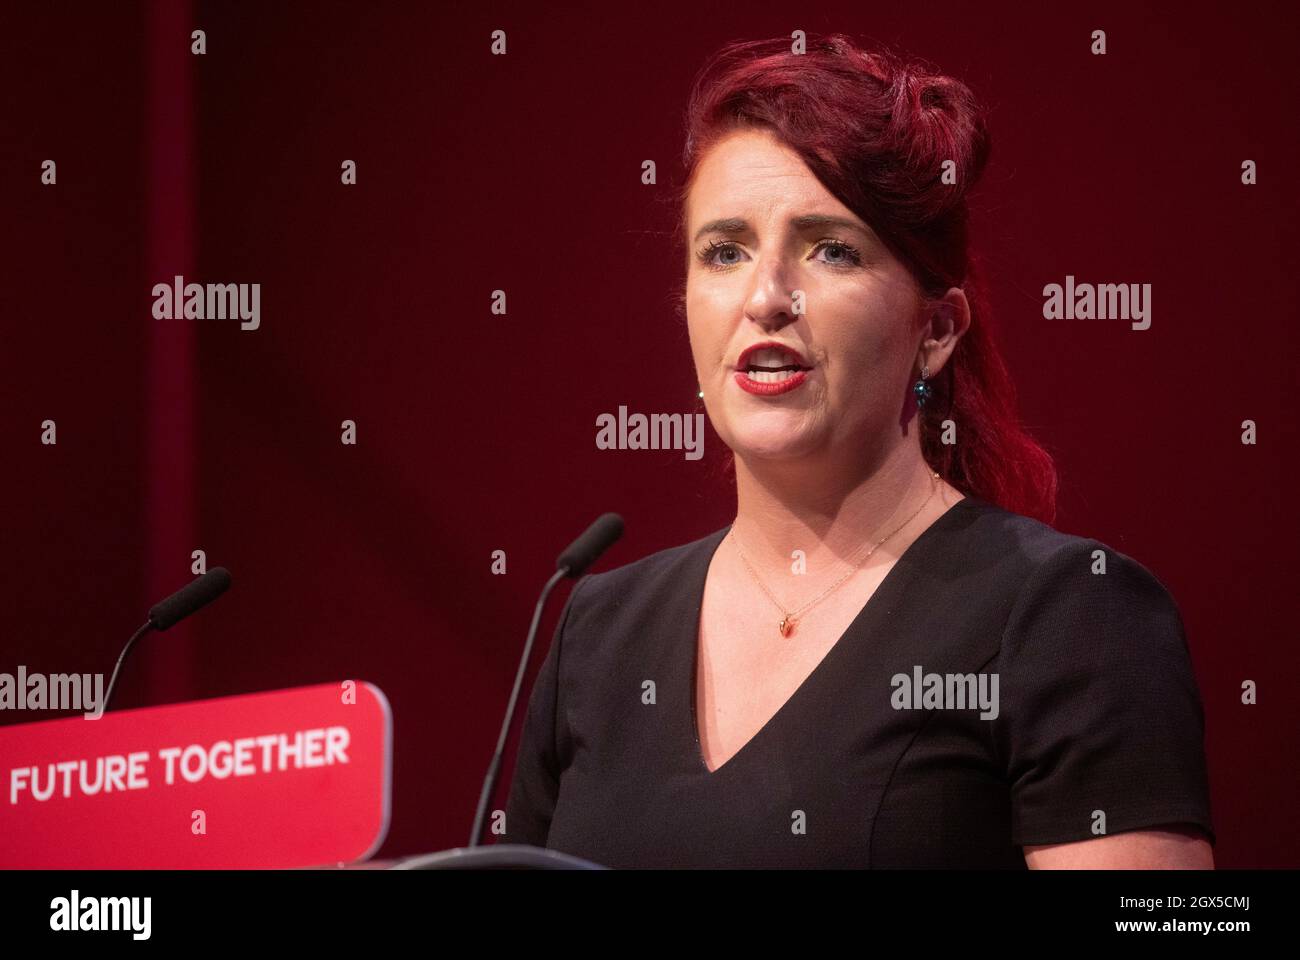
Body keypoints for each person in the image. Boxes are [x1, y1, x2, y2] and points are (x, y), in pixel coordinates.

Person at [503, 33, 1214, 868]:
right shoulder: (596, 631)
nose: (766, 298)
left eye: (830, 248)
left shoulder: (1074, 617)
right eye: (724, 251)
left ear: (937, 329)